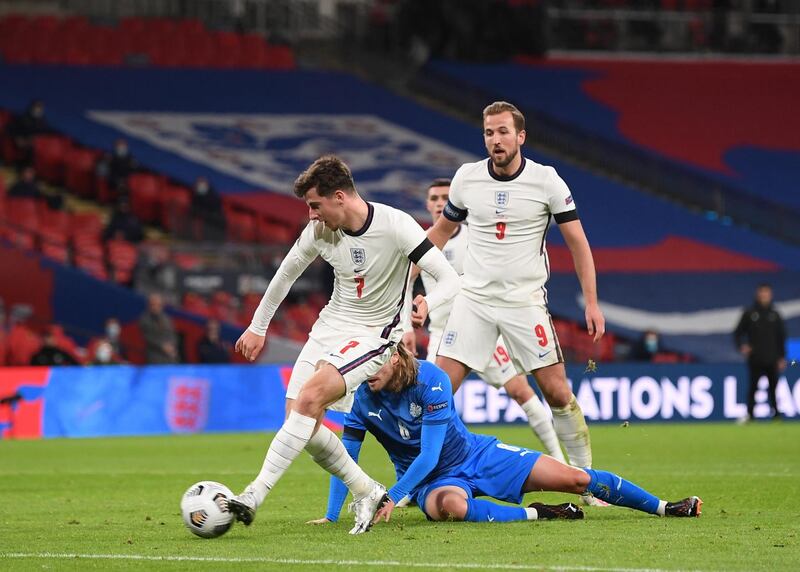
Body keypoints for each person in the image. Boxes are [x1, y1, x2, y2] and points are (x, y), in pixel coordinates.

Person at [227, 155, 460, 534]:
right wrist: (258, 327)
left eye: (315, 206)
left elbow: (449, 278)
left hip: (376, 333)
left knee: (309, 399)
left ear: (339, 197)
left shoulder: (395, 225)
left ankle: (253, 495)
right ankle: (366, 490)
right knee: (299, 422)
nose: (312, 216)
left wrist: (427, 303)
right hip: (330, 325)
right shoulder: (320, 232)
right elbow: (285, 275)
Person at [426, 101, 606, 504]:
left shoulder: (546, 181)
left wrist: (591, 303)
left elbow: (578, 242)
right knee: (435, 392)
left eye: (503, 131)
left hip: (524, 302)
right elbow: (440, 232)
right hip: (473, 301)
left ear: (520, 136)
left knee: (558, 394)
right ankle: (417, 479)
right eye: (489, 133)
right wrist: (404, 279)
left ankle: (588, 484)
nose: (496, 140)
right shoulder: (467, 179)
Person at [312, 345, 702, 526]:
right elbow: (343, 457)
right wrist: (332, 517)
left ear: (395, 356)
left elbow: (429, 453)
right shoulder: (360, 397)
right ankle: (539, 513)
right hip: (433, 482)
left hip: (475, 455)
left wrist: (392, 498)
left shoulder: (431, 380)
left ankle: (665, 507)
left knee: (577, 478)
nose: (367, 373)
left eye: (375, 364)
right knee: (453, 508)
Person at [421, 178, 564, 462]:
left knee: (521, 391)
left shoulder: (477, 236)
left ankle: (560, 460)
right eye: (434, 198)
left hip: (482, 327)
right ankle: (422, 475)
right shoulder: (421, 242)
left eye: (444, 198)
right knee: (431, 404)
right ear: (427, 204)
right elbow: (405, 281)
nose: (439, 203)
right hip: (442, 335)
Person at [734, 283, 787, 422]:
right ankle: (750, 414)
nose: (764, 296)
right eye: (762, 293)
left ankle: (776, 414)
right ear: (758, 294)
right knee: (753, 387)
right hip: (755, 358)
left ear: (770, 295)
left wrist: (782, 357)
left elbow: (781, 337)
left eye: (766, 293)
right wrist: (742, 346)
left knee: (774, 388)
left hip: (772, 358)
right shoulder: (750, 313)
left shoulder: (775, 315)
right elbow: (738, 333)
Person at [139, 292, 179, 364]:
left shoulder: (167, 318)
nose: (155, 307)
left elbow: (172, 334)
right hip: (155, 356)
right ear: (149, 305)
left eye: (158, 305)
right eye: (153, 304)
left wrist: (172, 346)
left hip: (169, 356)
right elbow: (148, 337)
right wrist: (162, 346)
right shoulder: (145, 319)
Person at [191, 176, 226, 240]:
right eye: (198, 184)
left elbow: (216, 209)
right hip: (206, 221)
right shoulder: (196, 195)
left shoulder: (213, 196)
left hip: (214, 220)